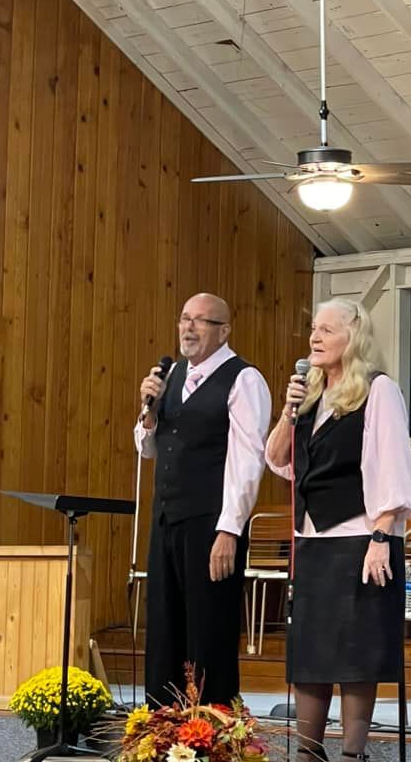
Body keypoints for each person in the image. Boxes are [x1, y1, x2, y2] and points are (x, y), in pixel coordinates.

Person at [266, 298, 411, 762]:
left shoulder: (378, 390)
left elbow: (393, 465)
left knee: (355, 652)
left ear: (353, 337)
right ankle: (309, 752)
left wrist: (381, 537)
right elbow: (278, 459)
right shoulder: (308, 395)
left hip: (360, 537)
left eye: (327, 330)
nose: (315, 337)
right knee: (311, 653)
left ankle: (353, 754)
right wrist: (289, 411)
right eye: (314, 329)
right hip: (313, 540)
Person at [135, 292, 272, 707]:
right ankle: (162, 728)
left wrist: (229, 528)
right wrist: (150, 413)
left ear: (224, 330)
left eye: (200, 321)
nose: (188, 328)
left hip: (212, 525)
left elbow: (248, 460)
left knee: (208, 628)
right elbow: (148, 448)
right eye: (184, 319)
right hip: (166, 519)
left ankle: (213, 729)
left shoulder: (244, 379)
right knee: (165, 626)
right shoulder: (170, 374)